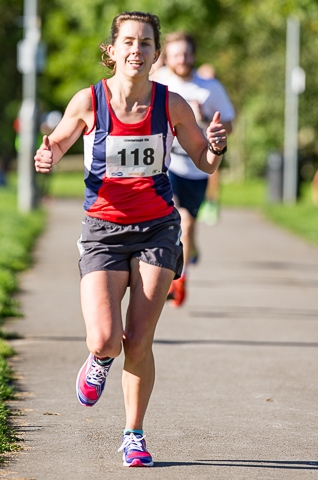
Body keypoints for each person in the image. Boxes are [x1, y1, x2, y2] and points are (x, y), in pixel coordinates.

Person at [34, 11, 227, 467]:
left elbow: (204, 161)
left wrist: (216, 145)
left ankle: (133, 434)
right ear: (112, 50)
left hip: (157, 229)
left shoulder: (171, 104)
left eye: (144, 43)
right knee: (105, 339)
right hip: (102, 230)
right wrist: (47, 154)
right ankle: (98, 360)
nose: (135, 50)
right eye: (127, 42)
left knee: (139, 337)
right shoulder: (89, 101)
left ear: (156, 54)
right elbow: (58, 142)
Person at [151, 32, 235, 307]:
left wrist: (206, 120)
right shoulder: (158, 82)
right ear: (168, 57)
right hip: (167, 164)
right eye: (176, 54)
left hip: (197, 167)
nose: (182, 59)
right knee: (179, 220)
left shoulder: (209, 88)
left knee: (189, 227)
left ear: (194, 56)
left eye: (186, 54)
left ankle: (191, 250)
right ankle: (178, 280)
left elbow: (229, 125)